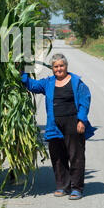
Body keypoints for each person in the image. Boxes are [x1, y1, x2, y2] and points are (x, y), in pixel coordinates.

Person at [21, 53, 95, 200]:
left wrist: (81, 120)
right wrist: (21, 72)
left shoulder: (76, 82)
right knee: (57, 157)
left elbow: (84, 101)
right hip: (54, 124)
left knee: (76, 156)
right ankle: (62, 186)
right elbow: (32, 85)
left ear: (66, 66)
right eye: (56, 67)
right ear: (52, 69)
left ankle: (77, 188)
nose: (59, 69)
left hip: (73, 123)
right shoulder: (48, 82)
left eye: (61, 66)